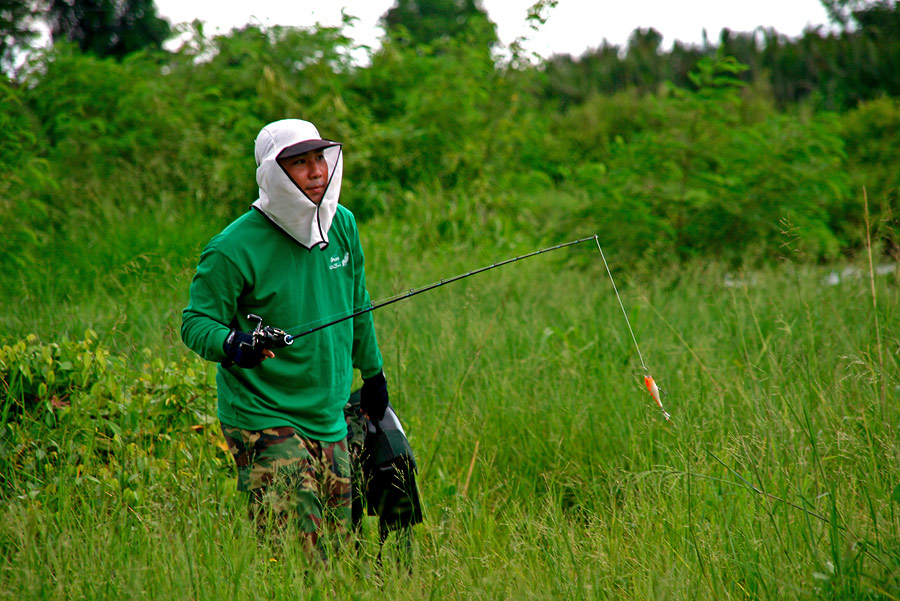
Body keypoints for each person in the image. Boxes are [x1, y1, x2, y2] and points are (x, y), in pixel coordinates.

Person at [181, 118, 389, 555]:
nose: (316, 172)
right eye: (299, 163)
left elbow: (358, 304)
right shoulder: (232, 247)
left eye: (320, 159)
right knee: (295, 556)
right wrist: (235, 345)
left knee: (338, 552)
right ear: (274, 173)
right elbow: (196, 323)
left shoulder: (343, 224)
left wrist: (373, 376)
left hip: (330, 416)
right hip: (265, 416)